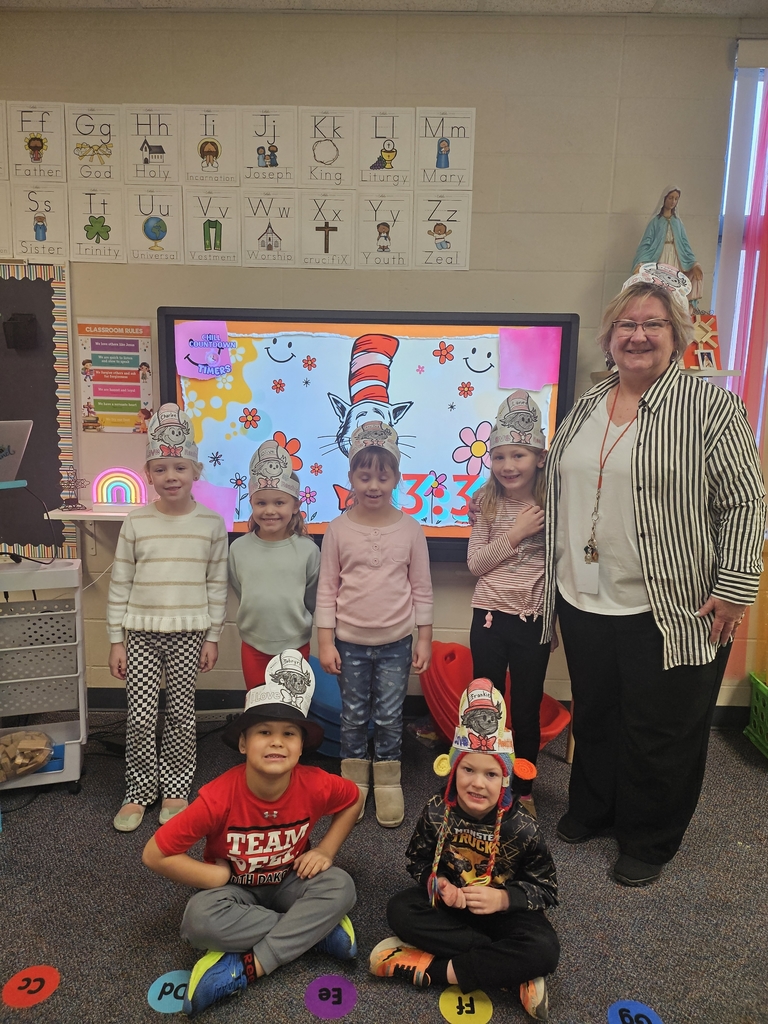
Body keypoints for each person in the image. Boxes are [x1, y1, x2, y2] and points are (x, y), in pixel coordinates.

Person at [541, 272, 766, 886]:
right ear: (610, 336)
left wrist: (735, 584)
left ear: (678, 336)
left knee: (661, 728)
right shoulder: (588, 404)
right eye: (626, 325)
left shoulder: (709, 404)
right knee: (599, 713)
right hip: (585, 596)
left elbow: (746, 502)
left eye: (652, 324)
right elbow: (561, 494)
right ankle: (597, 808)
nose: (637, 335)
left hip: (675, 605)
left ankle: (648, 837)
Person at [142, 651, 362, 1019]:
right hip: (235, 892)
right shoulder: (217, 797)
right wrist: (214, 875)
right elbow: (154, 854)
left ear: (301, 746)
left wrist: (326, 849)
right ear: (243, 744)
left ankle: (249, 966)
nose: (277, 742)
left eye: (289, 734)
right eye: (264, 732)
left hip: (293, 878)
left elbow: (353, 799)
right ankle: (317, 932)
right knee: (197, 921)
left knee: (342, 886)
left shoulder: (315, 784)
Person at [369, 678, 559, 1022]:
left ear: (505, 780)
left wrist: (503, 900)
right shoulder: (435, 811)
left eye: (490, 774)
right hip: (451, 909)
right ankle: (510, 971)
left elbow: (545, 889)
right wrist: (437, 885)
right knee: (400, 909)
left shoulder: (523, 827)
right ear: (453, 770)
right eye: (468, 769)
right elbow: (417, 860)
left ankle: (435, 971)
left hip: (504, 916)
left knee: (545, 949)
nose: (476, 782)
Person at [107, 403, 228, 832]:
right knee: (139, 715)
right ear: (149, 474)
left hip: (189, 634)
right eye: (161, 468)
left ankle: (175, 788)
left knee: (180, 712)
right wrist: (115, 639)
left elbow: (217, 585)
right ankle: (139, 789)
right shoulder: (136, 522)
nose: (171, 476)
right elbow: (120, 583)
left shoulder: (212, 525)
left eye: (179, 466)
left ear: (195, 470)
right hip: (138, 633)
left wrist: (212, 637)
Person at [316, 420, 433, 828]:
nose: (373, 485)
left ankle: (386, 779)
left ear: (396, 477)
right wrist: (326, 642)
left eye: (383, 476)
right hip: (348, 642)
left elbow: (422, 589)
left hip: (396, 643)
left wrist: (425, 639)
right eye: (364, 476)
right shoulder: (337, 529)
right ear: (350, 476)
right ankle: (352, 784)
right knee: (352, 715)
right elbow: (327, 590)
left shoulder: (411, 529)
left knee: (387, 714)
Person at [467, 390, 551, 820]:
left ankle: (524, 787)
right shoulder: (485, 503)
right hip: (488, 619)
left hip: (532, 623)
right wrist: (516, 532)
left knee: (526, 708)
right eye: (498, 456)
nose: (507, 466)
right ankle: (486, 778)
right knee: (487, 705)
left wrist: (553, 623)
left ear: (539, 456)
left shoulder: (553, 503)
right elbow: (476, 563)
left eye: (517, 455)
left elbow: (560, 565)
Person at [228, 439, 320, 689]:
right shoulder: (238, 549)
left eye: (279, 502)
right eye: (261, 503)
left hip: (295, 645)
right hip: (253, 645)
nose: (270, 511)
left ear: (295, 506)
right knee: (258, 709)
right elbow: (241, 589)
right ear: (251, 504)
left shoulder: (308, 551)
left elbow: (311, 599)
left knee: (293, 709)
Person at [632, 187, 703, 306]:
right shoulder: (655, 222)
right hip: (659, 258)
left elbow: (685, 245)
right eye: (670, 198)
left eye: (676, 199)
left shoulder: (678, 223)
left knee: (674, 289)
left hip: (675, 258)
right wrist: (640, 263)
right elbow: (646, 243)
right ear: (664, 199)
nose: (673, 201)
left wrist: (694, 264)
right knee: (658, 288)